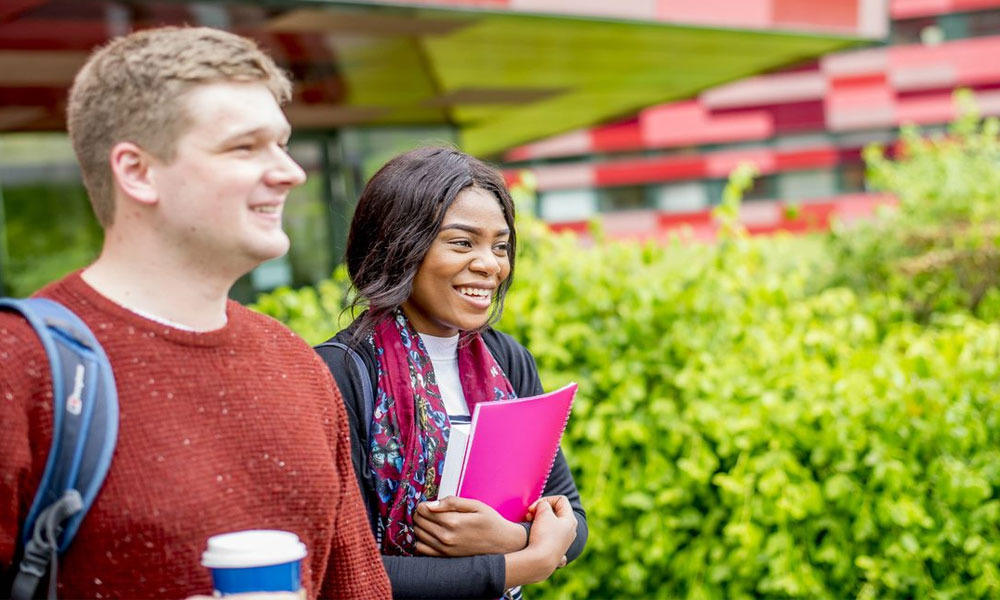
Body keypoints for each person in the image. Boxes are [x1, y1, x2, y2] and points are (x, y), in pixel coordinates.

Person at [0, 26, 391, 599]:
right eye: (244, 146)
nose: (290, 172)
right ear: (137, 171)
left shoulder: (298, 365)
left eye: (281, 143)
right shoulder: (20, 364)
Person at [315, 147, 588, 599]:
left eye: (500, 246)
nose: (490, 265)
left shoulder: (508, 360)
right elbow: (343, 567)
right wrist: (514, 565)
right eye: (463, 242)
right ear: (399, 246)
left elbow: (570, 517)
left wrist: (512, 540)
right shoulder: (341, 373)